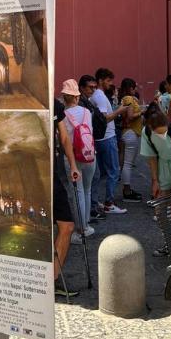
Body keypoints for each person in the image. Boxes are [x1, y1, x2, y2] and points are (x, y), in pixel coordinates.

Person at [141, 106, 171, 257]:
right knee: (160, 211)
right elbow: (151, 158)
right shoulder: (146, 133)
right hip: (162, 170)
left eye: (164, 131)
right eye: (159, 133)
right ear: (151, 128)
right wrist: (154, 181)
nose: (163, 135)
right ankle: (169, 243)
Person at [60, 79, 96, 243]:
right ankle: (86, 225)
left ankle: (80, 229)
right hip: (89, 155)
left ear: (64, 97)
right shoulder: (86, 112)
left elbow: (63, 139)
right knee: (87, 190)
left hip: (73, 157)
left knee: (77, 193)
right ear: (77, 97)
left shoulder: (63, 115)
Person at [90, 68, 128, 215]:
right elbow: (104, 118)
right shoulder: (99, 96)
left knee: (99, 173)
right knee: (113, 171)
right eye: (108, 80)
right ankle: (109, 203)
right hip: (107, 137)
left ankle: (95, 202)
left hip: (100, 138)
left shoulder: (96, 95)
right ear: (101, 80)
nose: (110, 83)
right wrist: (120, 110)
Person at [53, 99, 81, 297]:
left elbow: (64, 137)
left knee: (67, 226)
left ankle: (51, 280)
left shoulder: (54, 104)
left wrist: (72, 165)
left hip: (52, 175)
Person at [78, 75, 108, 222]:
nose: (93, 90)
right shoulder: (82, 105)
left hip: (89, 144)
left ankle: (89, 212)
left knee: (91, 180)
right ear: (82, 88)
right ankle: (88, 213)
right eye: (90, 87)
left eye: (94, 87)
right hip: (84, 146)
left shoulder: (86, 102)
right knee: (88, 182)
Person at [119, 77, 143, 202]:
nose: (136, 89)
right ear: (130, 88)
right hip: (130, 132)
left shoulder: (127, 99)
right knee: (128, 164)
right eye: (134, 87)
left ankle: (127, 189)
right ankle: (127, 191)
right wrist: (141, 112)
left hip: (129, 133)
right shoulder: (128, 99)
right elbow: (129, 117)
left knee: (127, 163)